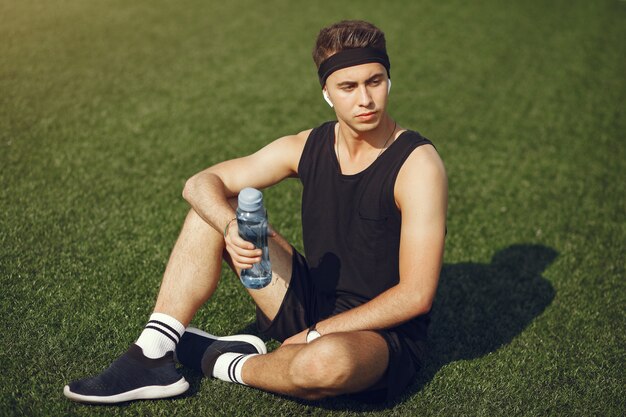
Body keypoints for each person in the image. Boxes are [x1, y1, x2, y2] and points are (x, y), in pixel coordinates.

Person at [63, 19, 447, 404]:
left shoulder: (417, 165)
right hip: (311, 299)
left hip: (380, 334)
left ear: (388, 80)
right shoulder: (306, 146)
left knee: (324, 364)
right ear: (327, 93)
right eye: (348, 87)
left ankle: (224, 361)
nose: (365, 99)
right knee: (211, 207)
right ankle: (152, 351)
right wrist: (229, 225)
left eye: (375, 81)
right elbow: (199, 183)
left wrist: (318, 335)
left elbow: (415, 296)